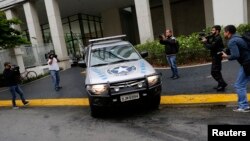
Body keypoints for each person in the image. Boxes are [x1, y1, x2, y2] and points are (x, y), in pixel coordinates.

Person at [221, 25, 250, 112]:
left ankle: (244, 106)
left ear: (228, 32)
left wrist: (226, 56)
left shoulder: (232, 41)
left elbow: (236, 55)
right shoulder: (239, 37)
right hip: (247, 62)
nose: (224, 33)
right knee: (241, 84)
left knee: (239, 85)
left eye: (224, 31)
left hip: (247, 63)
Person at [201, 25, 227, 91]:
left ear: (217, 31)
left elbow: (211, 47)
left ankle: (222, 83)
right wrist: (206, 40)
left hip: (217, 56)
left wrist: (205, 42)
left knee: (214, 72)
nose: (211, 31)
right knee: (217, 71)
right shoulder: (214, 37)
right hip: (215, 56)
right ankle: (220, 84)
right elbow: (210, 44)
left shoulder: (218, 38)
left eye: (213, 30)